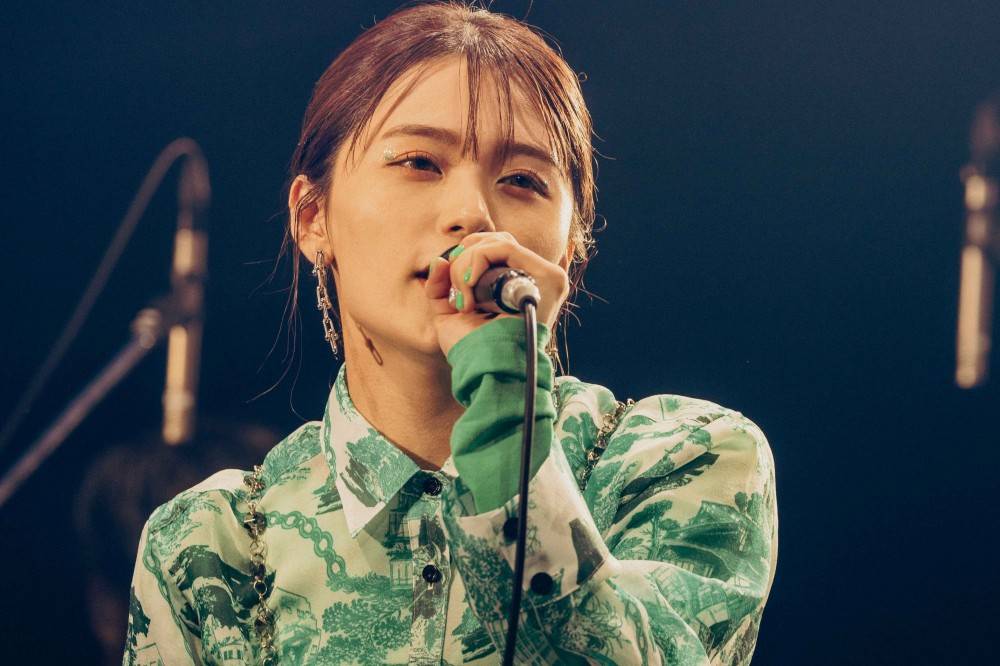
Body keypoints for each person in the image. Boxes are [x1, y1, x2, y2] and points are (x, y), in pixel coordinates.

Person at [123, 2, 778, 664]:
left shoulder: (684, 458)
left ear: (569, 249)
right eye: (418, 162)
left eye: (522, 180)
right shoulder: (210, 544)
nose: (472, 214)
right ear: (313, 217)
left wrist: (509, 438)